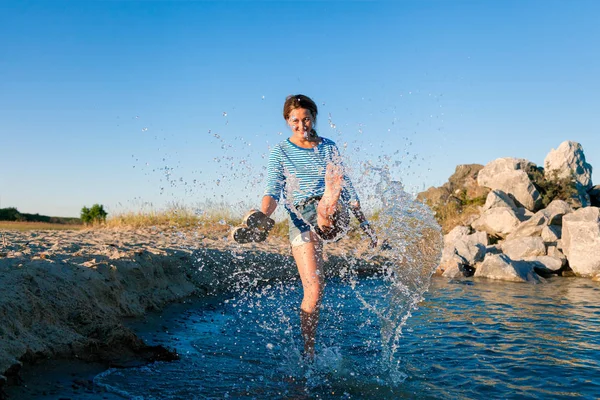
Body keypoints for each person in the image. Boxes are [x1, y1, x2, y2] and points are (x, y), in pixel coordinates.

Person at [259, 94, 378, 360]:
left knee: (330, 202)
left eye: (306, 119)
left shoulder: (328, 147)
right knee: (314, 290)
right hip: (300, 218)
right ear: (287, 121)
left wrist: (366, 225)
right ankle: (309, 352)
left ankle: (327, 204)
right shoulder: (280, 151)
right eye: (295, 121)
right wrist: (263, 214)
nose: (301, 125)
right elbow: (272, 190)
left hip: (335, 213)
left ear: (313, 118)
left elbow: (350, 190)